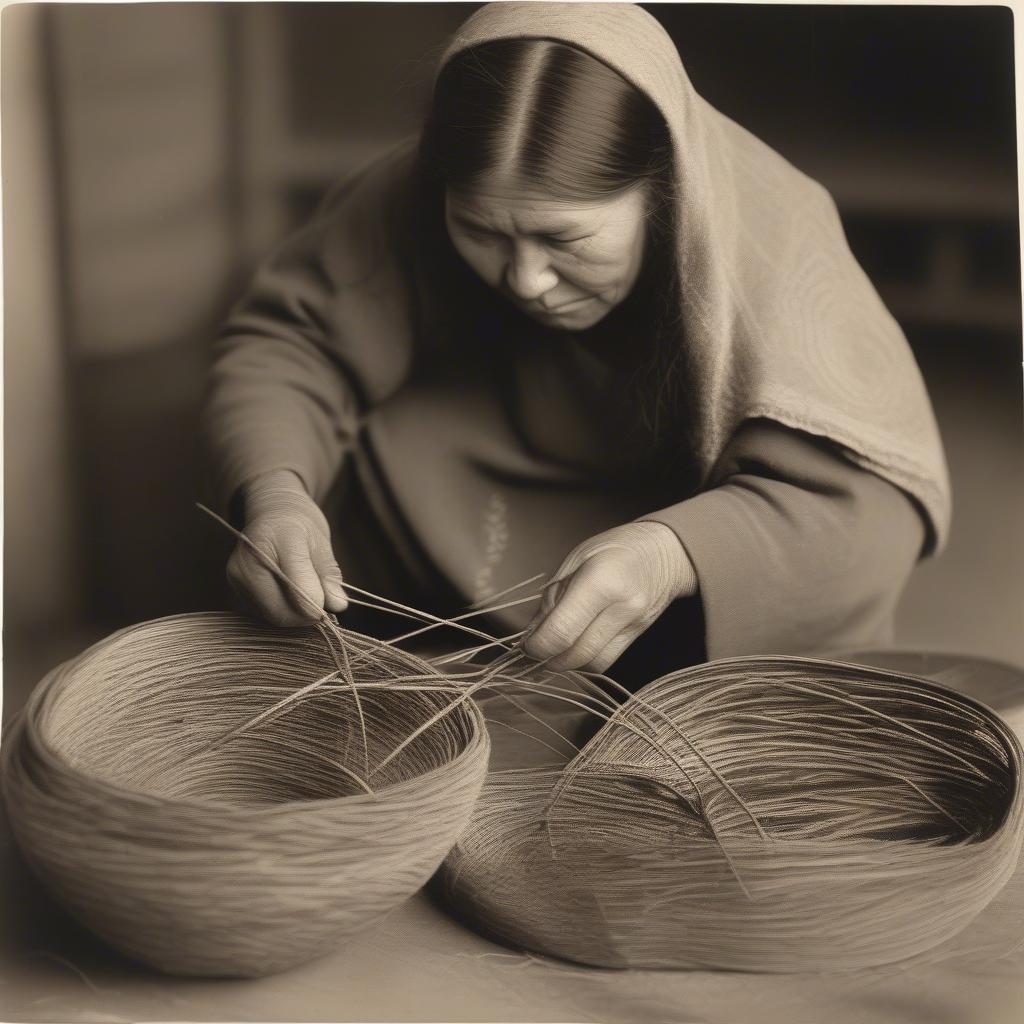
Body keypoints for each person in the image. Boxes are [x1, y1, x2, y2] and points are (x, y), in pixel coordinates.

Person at [202, 3, 950, 688]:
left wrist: (674, 554)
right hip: (439, 521)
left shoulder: (772, 244)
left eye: (566, 239)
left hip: (675, 570)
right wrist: (276, 494)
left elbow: (867, 509)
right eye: (482, 232)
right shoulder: (408, 191)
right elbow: (293, 346)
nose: (526, 279)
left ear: (664, 194)